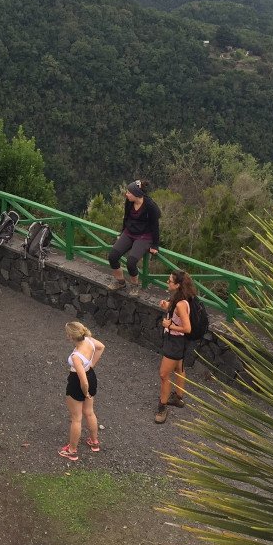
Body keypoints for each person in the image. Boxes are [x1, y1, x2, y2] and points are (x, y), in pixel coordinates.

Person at [60, 321, 106, 460]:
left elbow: (83, 380)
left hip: (78, 383)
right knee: (89, 413)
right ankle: (94, 442)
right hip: (92, 376)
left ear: (70, 336)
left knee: (76, 418)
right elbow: (101, 347)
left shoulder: (76, 357)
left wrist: (85, 392)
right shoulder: (89, 340)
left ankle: (72, 450)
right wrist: (92, 364)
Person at [154, 269, 196, 423]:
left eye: (170, 281)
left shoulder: (180, 304)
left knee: (164, 374)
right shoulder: (182, 298)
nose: (167, 282)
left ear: (178, 285)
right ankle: (178, 397)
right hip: (180, 343)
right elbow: (176, 312)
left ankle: (162, 407)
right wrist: (167, 305)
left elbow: (187, 328)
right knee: (179, 369)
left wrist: (169, 326)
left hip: (175, 342)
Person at [108, 180, 161, 295]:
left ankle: (135, 286)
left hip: (144, 236)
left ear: (136, 194)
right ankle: (120, 282)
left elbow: (155, 226)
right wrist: (122, 232)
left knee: (131, 262)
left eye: (128, 192)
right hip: (129, 232)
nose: (126, 194)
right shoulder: (129, 202)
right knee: (112, 256)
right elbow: (126, 217)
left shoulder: (150, 206)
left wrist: (155, 245)